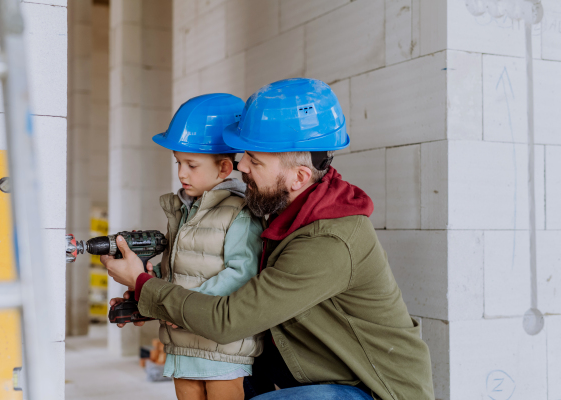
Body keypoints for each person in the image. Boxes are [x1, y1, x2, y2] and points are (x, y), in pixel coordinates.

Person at [103, 79, 435, 400]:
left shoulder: (329, 242)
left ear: (299, 177)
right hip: (313, 378)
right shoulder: (283, 213)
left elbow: (228, 320)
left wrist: (146, 286)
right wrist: (149, 303)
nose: (241, 165)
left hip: (371, 392)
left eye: (255, 160)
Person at [107, 93, 264, 400]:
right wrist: (145, 300)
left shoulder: (240, 213)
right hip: (182, 345)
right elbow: (179, 273)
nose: (181, 173)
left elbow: (240, 273)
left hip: (223, 349)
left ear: (223, 168)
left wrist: (179, 308)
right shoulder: (183, 212)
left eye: (191, 165)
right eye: (178, 162)